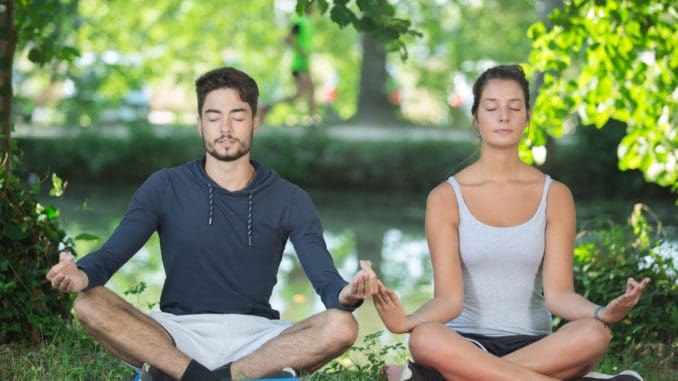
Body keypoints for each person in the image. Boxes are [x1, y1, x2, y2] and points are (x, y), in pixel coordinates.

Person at [46, 66, 378, 381]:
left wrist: (349, 293)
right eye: (214, 116)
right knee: (89, 303)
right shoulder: (164, 186)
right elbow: (110, 256)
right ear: (199, 124)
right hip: (177, 334)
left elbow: (328, 285)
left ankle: (205, 377)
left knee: (342, 326)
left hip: (257, 339)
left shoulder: (290, 199)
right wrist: (82, 274)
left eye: (238, 116)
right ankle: (195, 373)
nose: (226, 128)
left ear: (255, 123)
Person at [372, 64, 650, 381]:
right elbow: (449, 300)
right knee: (424, 339)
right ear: (476, 118)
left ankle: (452, 377)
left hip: (536, 344)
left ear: (527, 117)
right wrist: (407, 321)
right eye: (491, 108)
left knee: (596, 333)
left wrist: (601, 312)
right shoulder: (445, 198)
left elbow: (559, 295)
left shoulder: (556, 196)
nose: (503, 116)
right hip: (465, 343)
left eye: (514, 107)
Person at [260, 6, 317, 125]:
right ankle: (312, 120)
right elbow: (288, 38)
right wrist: (301, 52)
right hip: (299, 63)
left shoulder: (309, 22)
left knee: (298, 96)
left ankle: (266, 106)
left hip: (304, 63)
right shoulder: (300, 22)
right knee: (311, 89)